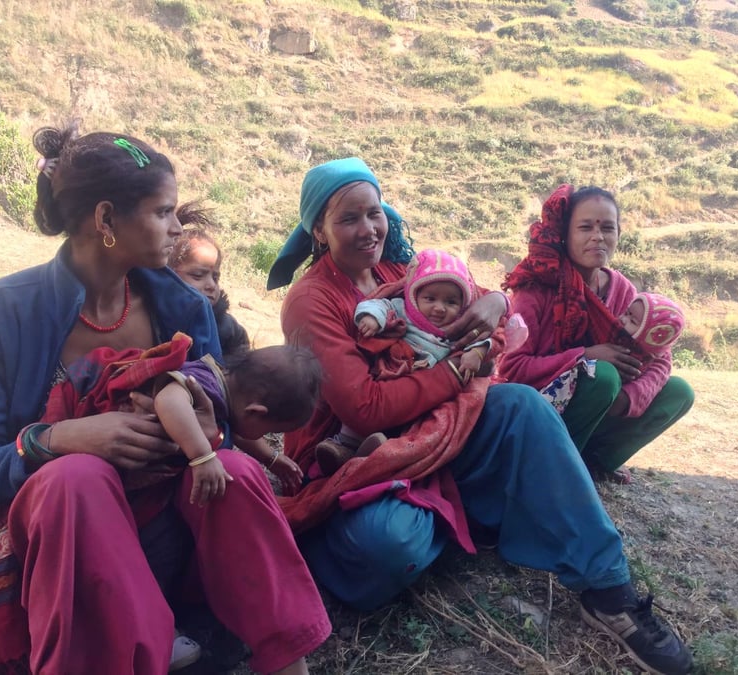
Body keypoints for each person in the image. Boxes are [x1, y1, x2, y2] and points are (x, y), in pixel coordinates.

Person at [267, 157, 694, 675]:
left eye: (374, 213)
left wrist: (491, 300)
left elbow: (462, 294)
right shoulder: (311, 300)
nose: (368, 229)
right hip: (361, 455)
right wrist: (456, 371)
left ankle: (609, 590)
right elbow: (364, 406)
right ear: (318, 229)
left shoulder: (396, 270)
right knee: (388, 546)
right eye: (348, 218)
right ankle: (461, 514)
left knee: (523, 405)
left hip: (433, 430)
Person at [0, 124, 330, 674]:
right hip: (58, 542)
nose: (178, 228)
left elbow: (218, 420)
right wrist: (60, 440)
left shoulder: (182, 305)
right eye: (163, 212)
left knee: (236, 471)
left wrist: (209, 431)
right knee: (75, 479)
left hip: (160, 523)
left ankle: (285, 657)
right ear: (106, 220)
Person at [501, 184, 695, 484]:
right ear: (565, 234)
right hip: (541, 414)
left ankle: (593, 461)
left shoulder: (622, 290)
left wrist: (630, 399)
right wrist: (585, 356)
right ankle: (557, 465)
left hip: (602, 410)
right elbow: (513, 369)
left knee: (679, 393)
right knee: (602, 375)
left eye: (607, 227)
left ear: (618, 234)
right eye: (585, 227)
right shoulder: (536, 290)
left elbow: (659, 358)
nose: (597, 236)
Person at [39, 333, 311, 503]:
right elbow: (168, 401)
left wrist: (271, 459)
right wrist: (203, 456)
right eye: (267, 431)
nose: (262, 438)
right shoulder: (204, 385)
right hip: (103, 431)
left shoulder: (229, 392)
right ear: (255, 412)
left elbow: (237, 428)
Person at [314, 247, 494, 475]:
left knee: (419, 427)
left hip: (426, 394)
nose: (439, 308)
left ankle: (381, 453)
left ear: (463, 306)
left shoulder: (457, 330)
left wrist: (476, 354)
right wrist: (373, 318)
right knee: (359, 425)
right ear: (414, 295)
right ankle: (343, 447)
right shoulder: (404, 310)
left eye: (451, 302)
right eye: (430, 298)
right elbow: (381, 304)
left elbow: (482, 341)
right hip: (392, 375)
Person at [170, 203, 250, 358]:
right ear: (169, 275)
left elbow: (241, 371)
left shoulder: (229, 329)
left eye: (215, 277)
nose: (211, 286)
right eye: (198, 276)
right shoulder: (152, 318)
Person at [618, 292, 686, 358]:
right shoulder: (614, 332)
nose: (623, 319)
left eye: (632, 321)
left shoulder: (654, 364)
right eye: (626, 313)